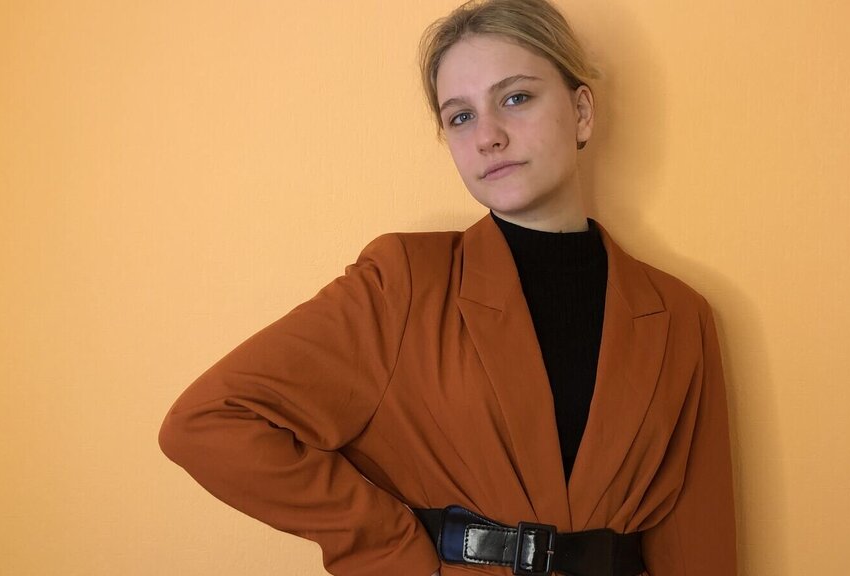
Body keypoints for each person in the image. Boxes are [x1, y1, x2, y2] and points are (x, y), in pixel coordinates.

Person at [158, 0, 737, 574]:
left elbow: (698, 542)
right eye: (460, 117)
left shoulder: (680, 316)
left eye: (516, 98)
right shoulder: (403, 283)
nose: (488, 136)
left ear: (582, 111)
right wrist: (391, 548)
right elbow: (208, 421)